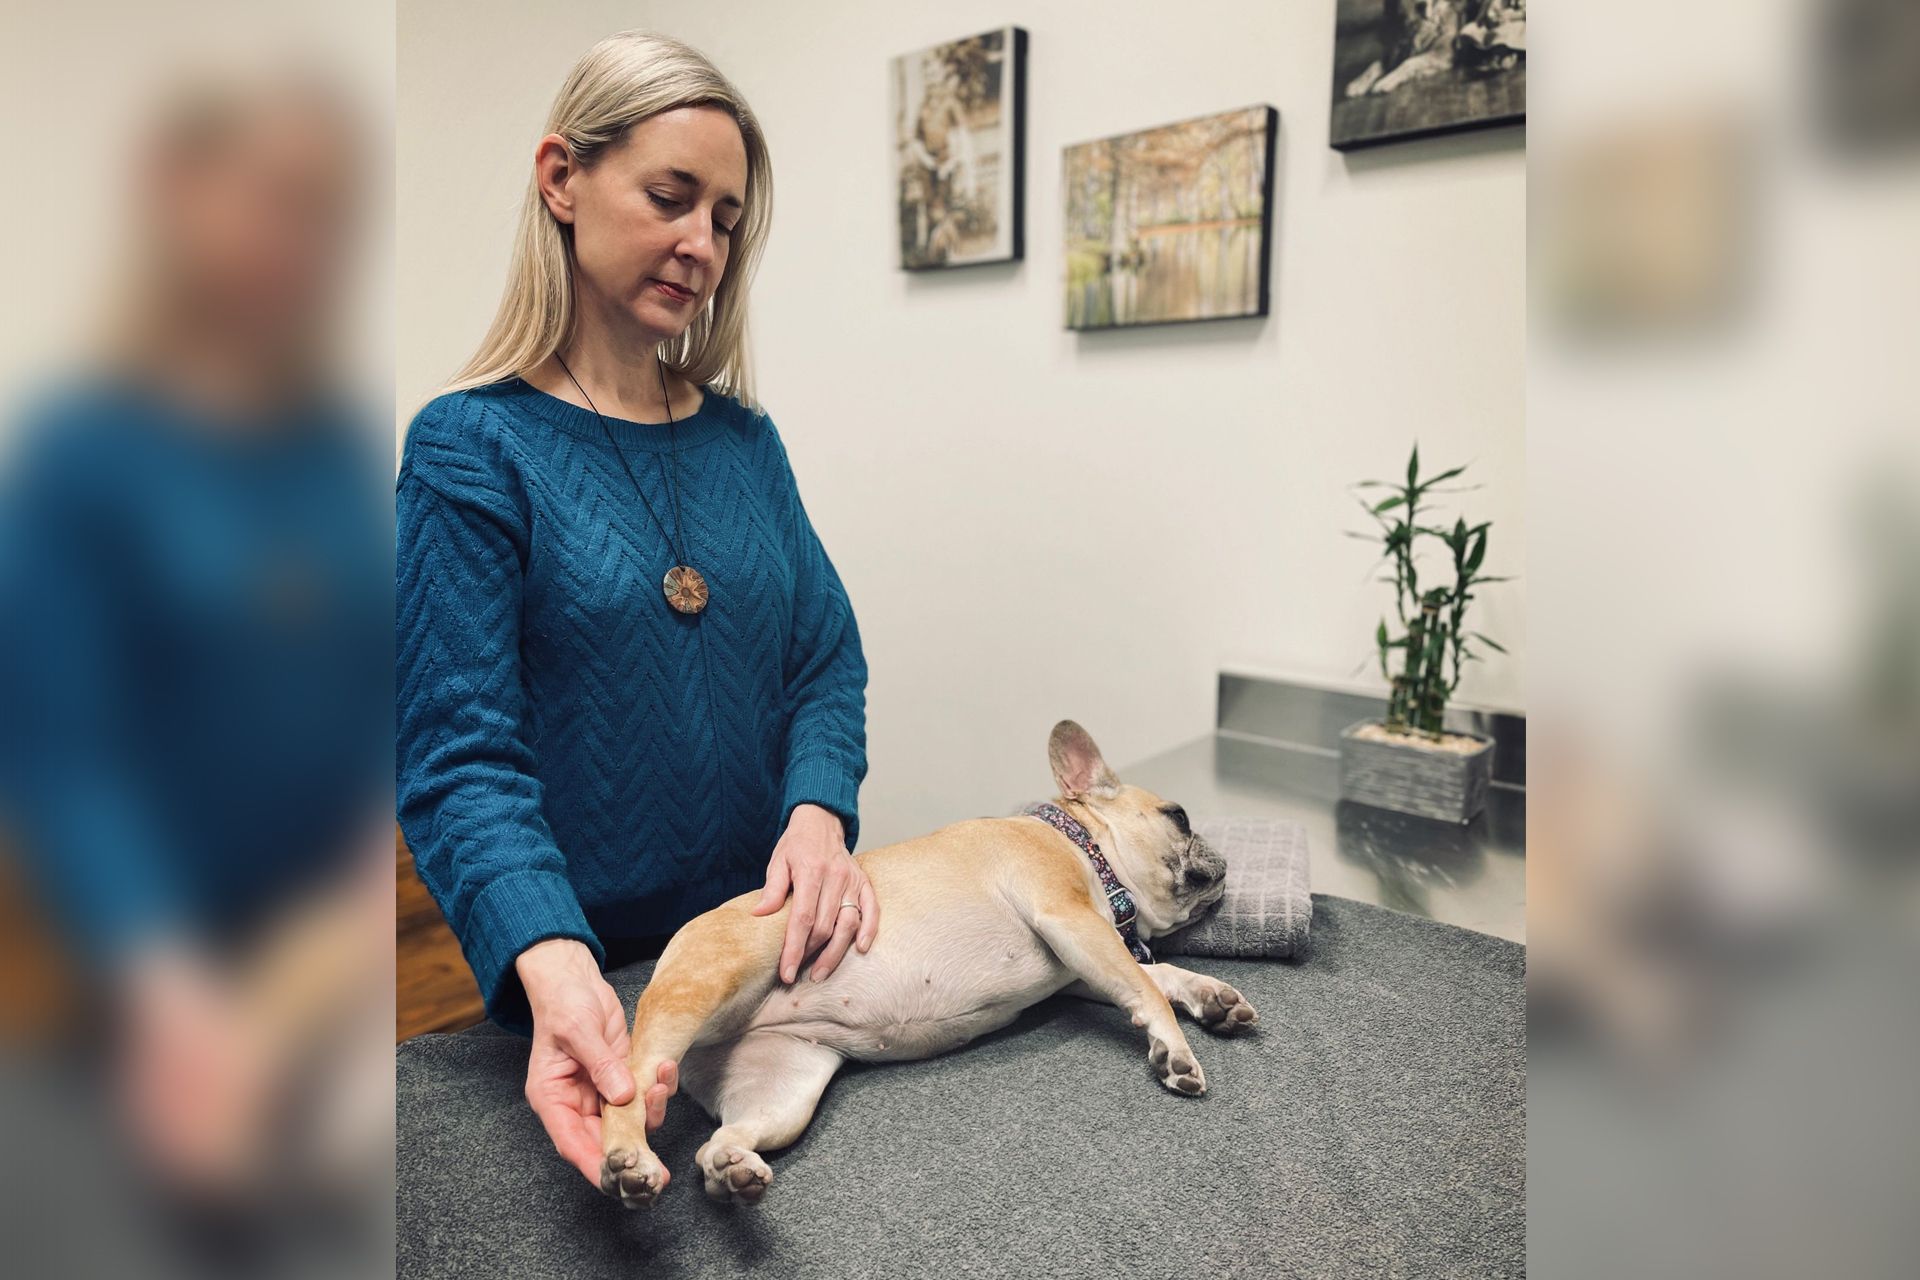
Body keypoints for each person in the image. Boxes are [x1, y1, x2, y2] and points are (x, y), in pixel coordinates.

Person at [394, 29, 875, 1190]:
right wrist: (554, 961)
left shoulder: (745, 444)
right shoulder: (470, 449)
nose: (701, 243)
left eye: (725, 218)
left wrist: (818, 809)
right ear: (563, 178)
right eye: (673, 197)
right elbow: (459, 758)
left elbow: (825, 661)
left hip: (776, 967)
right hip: (597, 989)